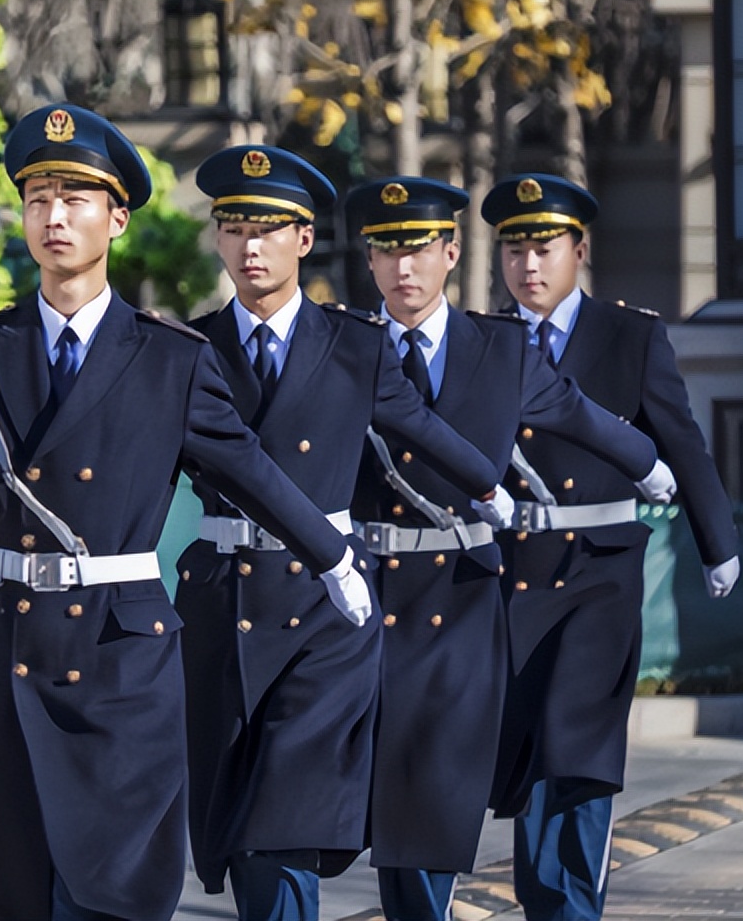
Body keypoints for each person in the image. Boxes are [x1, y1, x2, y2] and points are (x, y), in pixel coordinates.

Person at [0, 104, 374, 921]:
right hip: (0, 641)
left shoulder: (171, 360)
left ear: (115, 219)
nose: (54, 217)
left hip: (117, 655)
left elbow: (249, 471)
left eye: (76, 200)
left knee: (108, 889)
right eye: (39, 198)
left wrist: (330, 556)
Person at [174, 145, 513, 921]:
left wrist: (485, 484)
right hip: (223, 600)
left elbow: (415, 424)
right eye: (233, 227)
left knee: (284, 819)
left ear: (304, 239)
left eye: (269, 228)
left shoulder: (355, 343)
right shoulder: (186, 349)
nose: (249, 246)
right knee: (240, 826)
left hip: (328, 612)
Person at [343, 176, 673, 921]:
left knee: (436, 788)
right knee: (394, 796)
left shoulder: (496, 346)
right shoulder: (344, 344)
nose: (404, 269)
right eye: (386, 252)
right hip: (370, 591)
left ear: (451, 253)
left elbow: (574, 411)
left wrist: (650, 463)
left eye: (419, 250)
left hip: (464, 593)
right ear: (367, 261)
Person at [480, 173, 741, 921]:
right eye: (514, 249)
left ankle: (570, 906)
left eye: (544, 247)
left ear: (579, 250)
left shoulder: (631, 335)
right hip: (510, 575)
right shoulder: (482, 339)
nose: (529, 265)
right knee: (529, 754)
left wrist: (715, 539)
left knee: (579, 746)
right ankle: (545, 899)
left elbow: (680, 441)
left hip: (600, 570)